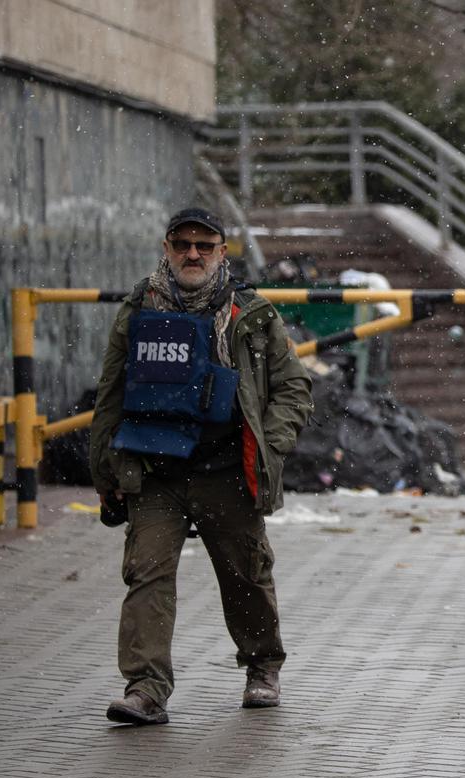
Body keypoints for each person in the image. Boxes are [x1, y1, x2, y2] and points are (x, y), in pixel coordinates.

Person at [89, 207, 313, 726]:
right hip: (155, 472)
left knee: (246, 576)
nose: (193, 254)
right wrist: (105, 475)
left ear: (222, 252)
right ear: (166, 248)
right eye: (182, 244)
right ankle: (146, 689)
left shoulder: (251, 314)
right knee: (147, 575)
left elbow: (294, 388)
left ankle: (262, 667)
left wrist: (269, 445)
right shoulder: (138, 308)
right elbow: (112, 395)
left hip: (227, 470)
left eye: (204, 246)